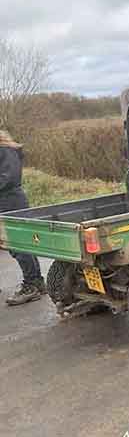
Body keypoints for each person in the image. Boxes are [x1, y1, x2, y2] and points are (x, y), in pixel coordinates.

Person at [0, 130, 45, 306]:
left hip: (10, 201)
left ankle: (32, 285)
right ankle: (36, 283)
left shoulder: (5, 150)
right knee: (18, 244)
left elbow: (8, 178)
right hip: (7, 200)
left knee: (18, 245)